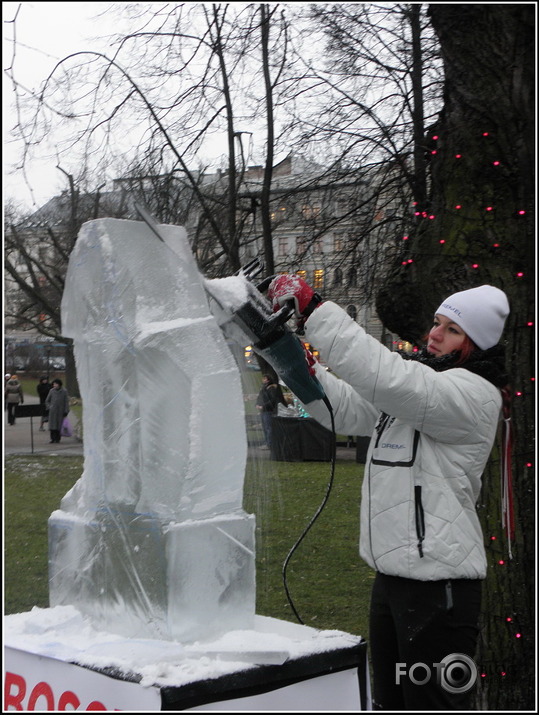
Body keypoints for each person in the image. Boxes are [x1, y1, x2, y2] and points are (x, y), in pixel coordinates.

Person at [268, 275, 510, 711]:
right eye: (437, 323)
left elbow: (389, 378)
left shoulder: (473, 395)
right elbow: (340, 408)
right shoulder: (421, 389)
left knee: (431, 704)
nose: (434, 333)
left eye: (452, 329)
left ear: (476, 343)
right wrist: (281, 349)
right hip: (394, 579)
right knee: (390, 702)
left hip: (441, 590)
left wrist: (314, 309)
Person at [256, 373, 287, 449]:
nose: (263, 380)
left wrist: (263, 406)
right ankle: (267, 442)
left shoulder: (271, 388)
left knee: (268, 427)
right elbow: (260, 397)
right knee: (265, 427)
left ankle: (269, 443)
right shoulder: (264, 388)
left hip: (268, 410)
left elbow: (272, 400)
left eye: (264, 378)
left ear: (268, 380)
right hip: (263, 410)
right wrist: (257, 404)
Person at [45, 378, 70, 444]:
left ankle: (58, 439)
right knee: (53, 425)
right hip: (53, 412)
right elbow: (47, 401)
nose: (54, 385)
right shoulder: (51, 391)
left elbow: (66, 402)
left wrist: (66, 411)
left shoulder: (64, 391)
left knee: (59, 425)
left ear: (59, 384)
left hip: (60, 411)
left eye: (55, 384)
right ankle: (52, 438)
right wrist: (50, 407)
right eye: (53, 384)